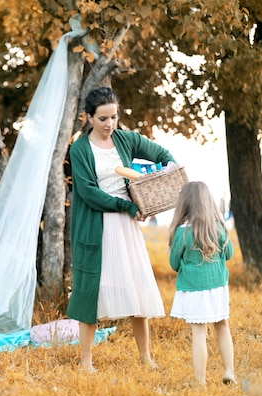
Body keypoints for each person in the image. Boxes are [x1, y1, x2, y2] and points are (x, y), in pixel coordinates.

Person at [67, 86, 175, 370]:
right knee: (90, 289)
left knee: (136, 286)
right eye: (102, 118)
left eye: (113, 117)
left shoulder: (126, 140)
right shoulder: (79, 149)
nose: (109, 124)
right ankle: (86, 362)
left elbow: (163, 155)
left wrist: (159, 178)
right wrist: (127, 206)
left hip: (127, 226)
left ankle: (146, 359)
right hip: (97, 224)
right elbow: (88, 192)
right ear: (89, 117)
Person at [168, 181, 236, 386]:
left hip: (194, 288)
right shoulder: (217, 227)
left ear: (184, 205)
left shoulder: (182, 232)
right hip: (217, 286)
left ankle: (200, 381)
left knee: (199, 333)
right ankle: (229, 371)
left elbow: (173, 264)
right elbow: (229, 254)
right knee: (222, 326)